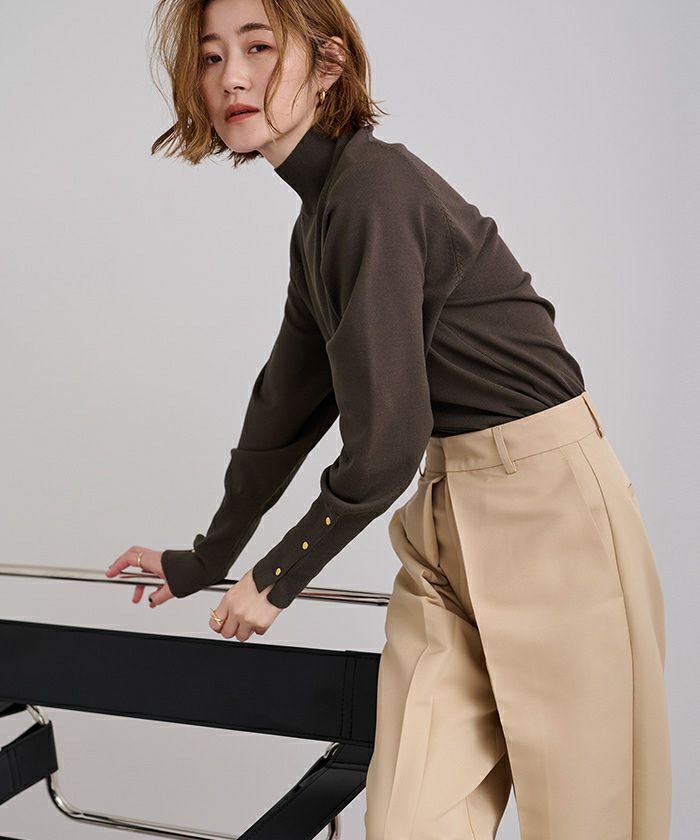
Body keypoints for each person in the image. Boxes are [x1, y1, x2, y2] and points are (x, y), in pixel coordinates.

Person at [105, 1, 672, 837]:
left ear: (328, 65)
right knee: (408, 820)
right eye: (213, 56)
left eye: (258, 47)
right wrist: (208, 558)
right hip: (446, 519)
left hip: (555, 516)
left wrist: (279, 573)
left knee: (591, 823)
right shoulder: (322, 219)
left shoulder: (373, 191)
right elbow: (282, 413)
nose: (231, 77)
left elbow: (387, 441)